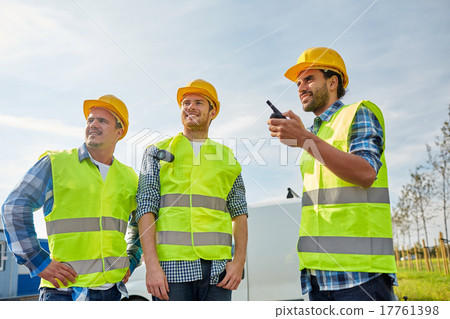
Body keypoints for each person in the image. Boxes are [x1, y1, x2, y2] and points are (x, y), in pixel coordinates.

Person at [267, 47, 397, 301]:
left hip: (360, 276)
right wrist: (305, 139)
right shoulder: (315, 136)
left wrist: (304, 138)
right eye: (298, 82)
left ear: (332, 82)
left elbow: (366, 172)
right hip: (318, 276)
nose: (301, 87)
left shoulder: (357, 114)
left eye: (309, 79)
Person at [1, 95, 141, 301]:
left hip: (114, 292)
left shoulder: (129, 177)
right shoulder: (56, 163)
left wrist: (131, 258)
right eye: (90, 120)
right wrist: (39, 262)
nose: (93, 125)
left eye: (102, 121)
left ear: (119, 132)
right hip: (64, 292)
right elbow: (14, 207)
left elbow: (140, 222)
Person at [136, 79, 248, 301]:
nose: (190, 107)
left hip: (218, 271)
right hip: (171, 270)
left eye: (198, 102)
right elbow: (145, 209)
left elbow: (240, 213)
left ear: (212, 112)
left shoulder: (228, 158)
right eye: (186, 103)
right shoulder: (157, 152)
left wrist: (238, 262)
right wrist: (151, 265)